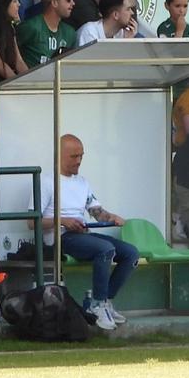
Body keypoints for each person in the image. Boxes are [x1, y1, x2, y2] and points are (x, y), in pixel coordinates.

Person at [49, 135, 141, 330]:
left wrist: (111, 217)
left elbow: (96, 212)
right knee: (105, 249)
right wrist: (65, 221)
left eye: (81, 156)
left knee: (131, 253)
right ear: (60, 155)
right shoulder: (48, 181)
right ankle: (97, 305)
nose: (79, 161)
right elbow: (34, 222)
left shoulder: (82, 182)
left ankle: (105, 300)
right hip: (61, 236)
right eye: (74, 156)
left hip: (82, 234)